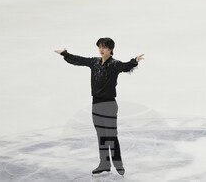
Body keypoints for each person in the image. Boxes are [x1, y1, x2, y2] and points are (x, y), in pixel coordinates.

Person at [55, 39, 144, 176]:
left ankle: (118, 164)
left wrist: (134, 61)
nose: (101, 50)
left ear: (111, 49)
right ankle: (104, 164)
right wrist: (65, 54)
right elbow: (79, 60)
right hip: (96, 103)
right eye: (100, 47)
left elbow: (126, 67)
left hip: (109, 104)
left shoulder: (115, 64)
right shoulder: (94, 62)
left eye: (104, 47)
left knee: (111, 136)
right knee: (101, 136)